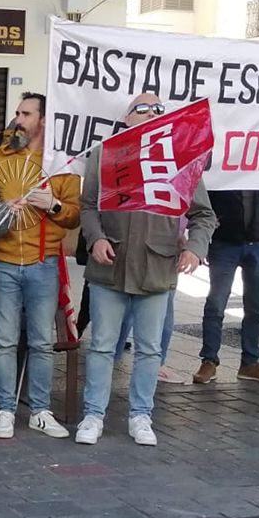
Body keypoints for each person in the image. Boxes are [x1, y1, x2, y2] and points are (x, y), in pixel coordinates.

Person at [76, 95, 217, 446]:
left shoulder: (179, 162)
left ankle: (141, 415)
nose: (153, 113)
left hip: (157, 268)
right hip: (110, 267)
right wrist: (95, 239)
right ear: (127, 119)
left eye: (159, 110)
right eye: (145, 109)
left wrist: (196, 250)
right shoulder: (105, 154)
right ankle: (93, 415)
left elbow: (204, 215)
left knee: (150, 349)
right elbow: (88, 205)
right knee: (102, 347)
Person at [0, 93, 80, 439]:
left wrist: (53, 204)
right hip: (4, 262)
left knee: (41, 342)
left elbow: (73, 215)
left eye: (25, 113)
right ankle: (5, 410)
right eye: (17, 112)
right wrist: (3, 209)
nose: (17, 118)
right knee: (4, 341)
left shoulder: (61, 163)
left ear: (43, 120)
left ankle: (40, 410)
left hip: (43, 262)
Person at [193, 185, 259, 385]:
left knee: (255, 307)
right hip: (224, 242)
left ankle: (250, 362)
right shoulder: (223, 160)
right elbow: (206, 199)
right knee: (216, 304)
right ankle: (209, 360)